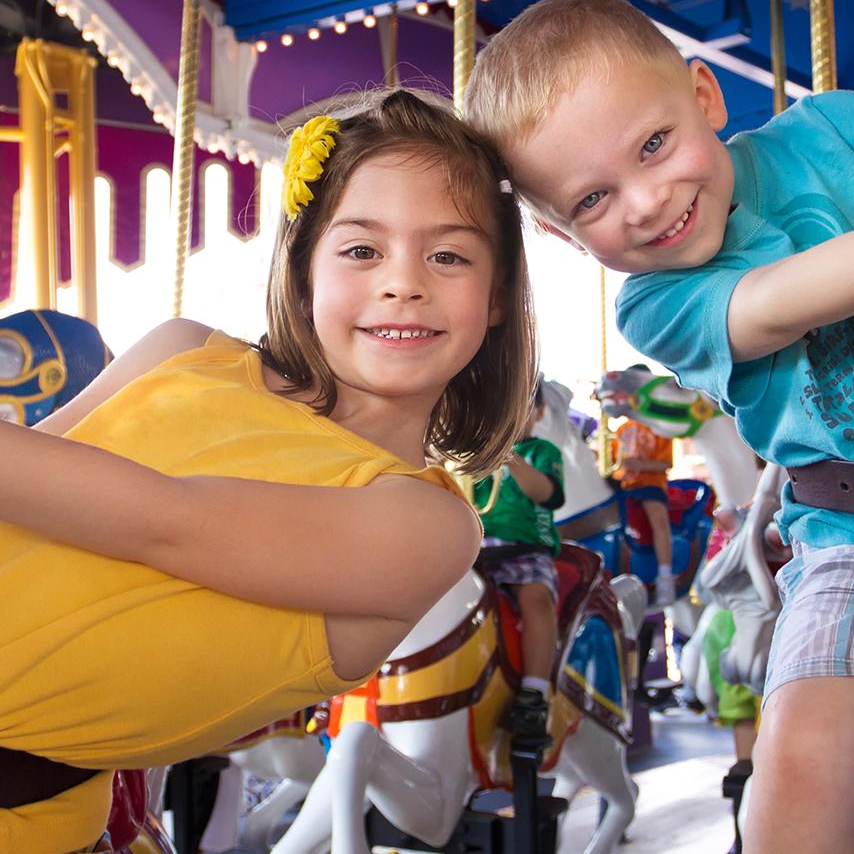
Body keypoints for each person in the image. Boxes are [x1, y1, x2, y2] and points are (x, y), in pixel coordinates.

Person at [463, 0, 854, 854]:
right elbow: (775, 305)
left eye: (654, 144)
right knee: (799, 763)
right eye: (592, 201)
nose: (645, 202)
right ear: (561, 233)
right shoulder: (657, 302)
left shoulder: (835, 131)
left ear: (705, 96)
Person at [0, 88, 537, 854]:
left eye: (448, 255)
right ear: (306, 265)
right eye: (361, 250)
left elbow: (164, 522)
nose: (403, 282)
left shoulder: (423, 526)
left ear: (496, 296)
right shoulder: (183, 349)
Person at [473, 381, 564, 746]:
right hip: (476, 550)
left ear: (539, 413)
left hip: (525, 549)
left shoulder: (541, 451)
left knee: (536, 598)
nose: (508, 416)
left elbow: (545, 494)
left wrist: (508, 454)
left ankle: (535, 691)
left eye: (520, 406)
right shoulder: (474, 456)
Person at [611, 390, 676, 606]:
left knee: (657, 518)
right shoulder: (620, 431)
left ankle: (665, 577)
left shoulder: (658, 426)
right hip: (624, 486)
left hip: (650, 483)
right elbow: (609, 462)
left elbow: (666, 463)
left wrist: (639, 465)